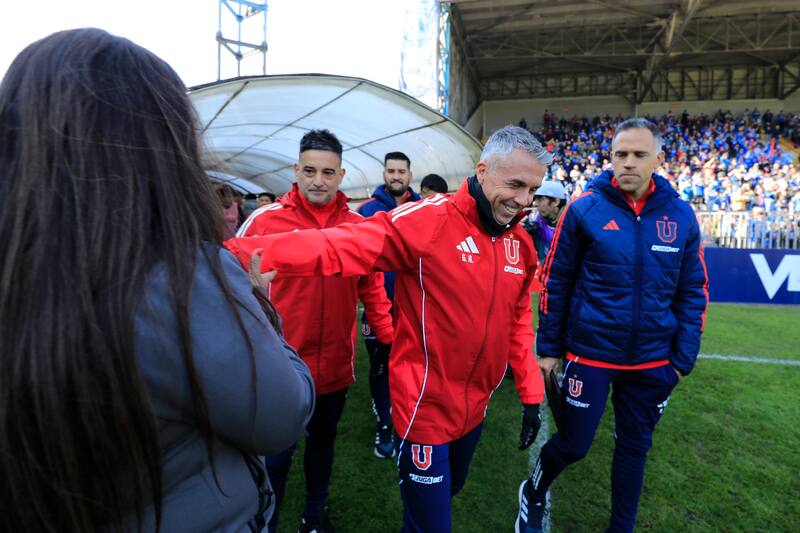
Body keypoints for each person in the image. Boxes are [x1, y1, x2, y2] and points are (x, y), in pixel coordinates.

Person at [0, 28, 315, 532]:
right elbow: (280, 414)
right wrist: (260, 310)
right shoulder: (183, 280)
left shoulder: (23, 271)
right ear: (160, 150)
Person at [227, 125, 549, 532]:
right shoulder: (428, 221)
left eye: (532, 190)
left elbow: (519, 320)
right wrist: (228, 256)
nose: (523, 201)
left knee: (440, 502)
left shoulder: (519, 243)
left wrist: (531, 391)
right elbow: (335, 245)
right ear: (483, 171)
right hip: (424, 409)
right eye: (515, 184)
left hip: (475, 409)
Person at [515, 118, 709, 533]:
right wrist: (548, 349)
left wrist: (680, 361)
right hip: (591, 353)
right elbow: (557, 281)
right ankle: (532, 492)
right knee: (574, 444)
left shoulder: (680, 215)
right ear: (610, 158)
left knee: (634, 449)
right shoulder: (584, 208)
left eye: (639, 154)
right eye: (621, 154)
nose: (629, 162)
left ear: (658, 159)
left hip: (653, 361)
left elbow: (694, 289)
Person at [237, 129, 394, 533]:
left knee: (322, 445)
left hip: (336, 366)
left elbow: (371, 285)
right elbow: (226, 278)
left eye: (327, 172)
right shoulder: (265, 221)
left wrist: (387, 337)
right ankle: (266, 518)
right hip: (280, 367)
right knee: (276, 453)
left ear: (341, 175)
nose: (318, 181)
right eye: (309, 170)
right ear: (296, 170)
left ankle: (314, 513)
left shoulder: (355, 225)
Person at [356, 151, 422, 458]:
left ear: (410, 175)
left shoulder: (424, 210)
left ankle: (407, 419)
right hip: (376, 306)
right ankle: (385, 424)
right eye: (391, 171)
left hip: (413, 309)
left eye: (401, 171)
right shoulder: (367, 211)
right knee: (381, 367)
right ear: (384, 174)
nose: (396, 176)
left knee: (410, 367)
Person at [522, 180, 567, 263]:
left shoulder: (571, 224)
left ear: (556, 202)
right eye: (535, 199)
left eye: (541, 199)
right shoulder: (538, 218)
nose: (535, 203)